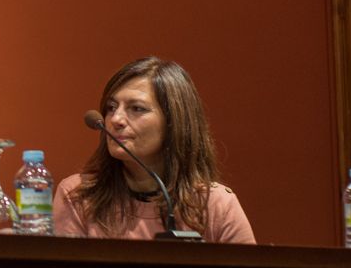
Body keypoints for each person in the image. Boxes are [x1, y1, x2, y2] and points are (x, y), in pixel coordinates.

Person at [53, 56, 255, 243]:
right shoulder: (77, 196)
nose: (116, 119)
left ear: (173, 122)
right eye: (111, 107)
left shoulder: (216, 204)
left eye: (137, 108)